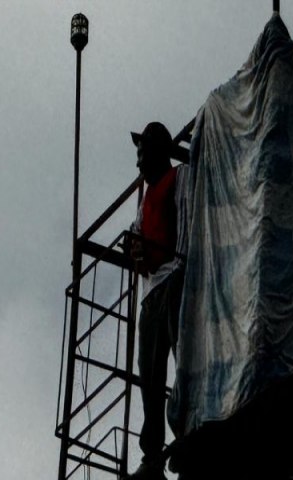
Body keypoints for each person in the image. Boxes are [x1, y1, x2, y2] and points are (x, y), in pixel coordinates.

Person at [123, 121, 187, 480]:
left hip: (174, 281)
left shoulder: (180, 179)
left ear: (158, 151)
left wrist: (179, 267)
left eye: (142, 154)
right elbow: (136, 232)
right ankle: (152, 450)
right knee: (149, 373)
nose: (139, 164)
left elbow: (188, 225)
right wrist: (131, 246)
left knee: (183, 360)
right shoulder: (146, 198)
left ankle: (186, 431)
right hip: (151, 292)